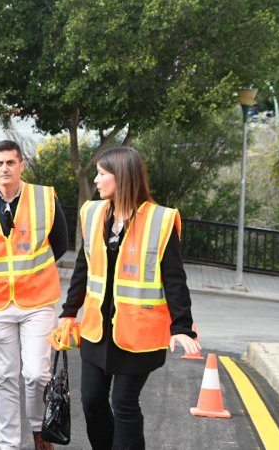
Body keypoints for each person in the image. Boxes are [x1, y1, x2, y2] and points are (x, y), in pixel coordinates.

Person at [54, 146, 200, 450]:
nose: (96, 180)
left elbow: (174, 279)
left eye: (102, 174)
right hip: (97, 330)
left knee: (124, 403)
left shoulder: (160, 220)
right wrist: (68, 313)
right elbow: (84, 267)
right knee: (91, 401)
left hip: (138, 334)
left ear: (122, 177)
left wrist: (182, 327)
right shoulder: (93, 214)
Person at [0, 140, 68, 450]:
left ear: (22, 165)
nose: (5, 168)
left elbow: (59, 244)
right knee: (5, 378)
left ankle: (39, 432)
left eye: (11, 162)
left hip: (37, 301)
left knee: (37, 374)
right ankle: (9, 445)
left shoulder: (44, 198)